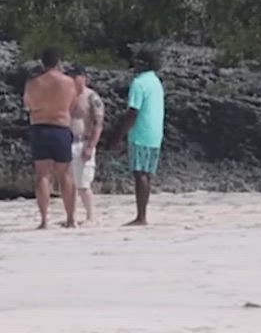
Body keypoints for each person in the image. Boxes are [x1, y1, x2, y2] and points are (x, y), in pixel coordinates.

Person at [108, 48, 165, 226]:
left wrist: (118, 135)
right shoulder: (156, 81)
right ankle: (143, 214)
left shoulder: (139, 83)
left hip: (141, 132)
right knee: (147, 174)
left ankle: (141, 216)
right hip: (155, 133)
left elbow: (133, 112)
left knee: (140, 173)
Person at [23, 46, 78, 229]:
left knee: (42, 175)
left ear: (42, 62)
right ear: (58, 62)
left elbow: (29, 105)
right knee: (65, 174)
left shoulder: (33, 83)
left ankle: (45, 219)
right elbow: (72, 104)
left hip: (40, 127)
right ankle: (71, 218)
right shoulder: (68, 82)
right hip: (60, 127)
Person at [66, 64, 105, 223]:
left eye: (75, 77)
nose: (73, 80)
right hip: (68, 142)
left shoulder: (92, 97)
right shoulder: (68, 96)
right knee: (69, 184)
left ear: (83, 77)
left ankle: (90, 216)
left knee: (83, 183)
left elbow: (98, 123)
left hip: (84, 142)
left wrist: (90, 146)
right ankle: (71, 216)